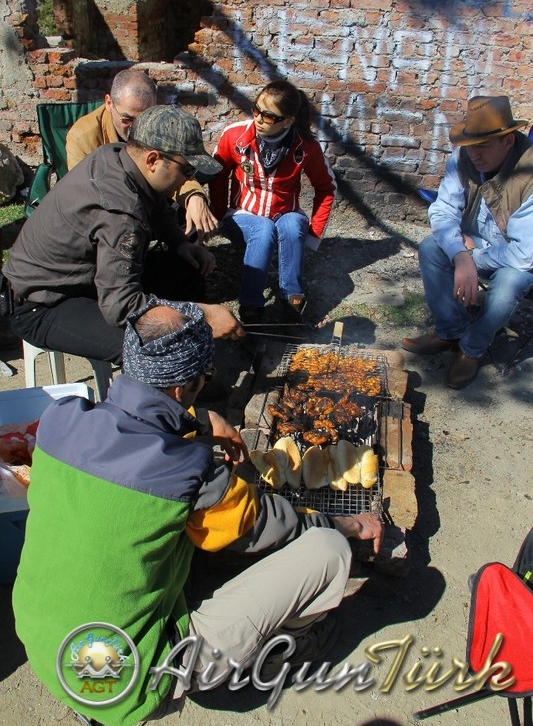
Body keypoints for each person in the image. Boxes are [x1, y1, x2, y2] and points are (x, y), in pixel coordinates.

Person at [13, 298, 384, 726]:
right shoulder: (189, 473)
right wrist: (349, 524)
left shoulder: (60, 420)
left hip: (44, 640)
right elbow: (273, 528)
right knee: (327, 549)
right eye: (202, 381)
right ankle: (282, 653)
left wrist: (203, 422)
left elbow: (139, 422)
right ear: (181, 389)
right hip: (125, 680)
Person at [4, 105, 244, 365]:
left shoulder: (117, 155)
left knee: (185, 269)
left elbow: (157, 205)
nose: (189, 178)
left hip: (91, 280)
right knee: (161, 346)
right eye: (187, 171)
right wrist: (203, 314)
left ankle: (195, 360)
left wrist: (179, 243)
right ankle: (169, 390)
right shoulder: (120, 211)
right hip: (43, 303)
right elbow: (121, 305)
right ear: (152, 160)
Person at [401, 95, 533, 389]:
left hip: (516, 258)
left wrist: (474, 259)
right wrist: (461, 256)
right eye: (471, 146)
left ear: (508, 141)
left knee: (511, 282)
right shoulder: (464, 157)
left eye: (483, 146)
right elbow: (443, 210)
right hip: (473, 245)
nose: (475, 155)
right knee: (430, 247)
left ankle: (471, 349)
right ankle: (450, 330)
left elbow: (523, 254)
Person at [209, 79, 337, 323]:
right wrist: (217, 214)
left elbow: (326, 187)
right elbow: (218, 173)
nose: (257, 118)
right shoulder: (235, 136)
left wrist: (314, 234)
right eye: (256, 109)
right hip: (243, 214)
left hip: (286, 212)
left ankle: (292, 299)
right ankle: (251, 306)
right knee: (263, 228)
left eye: (268, 116)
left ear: (288, 121)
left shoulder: (305, 147)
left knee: (291, 225)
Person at [66, 67, 219, 243]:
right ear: (109, 103)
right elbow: (87, 196)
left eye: (145, 117)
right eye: (127, 119)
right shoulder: (83, 137)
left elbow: (181, 163)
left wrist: (194, 196)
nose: (135, 128)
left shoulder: (159, 123)